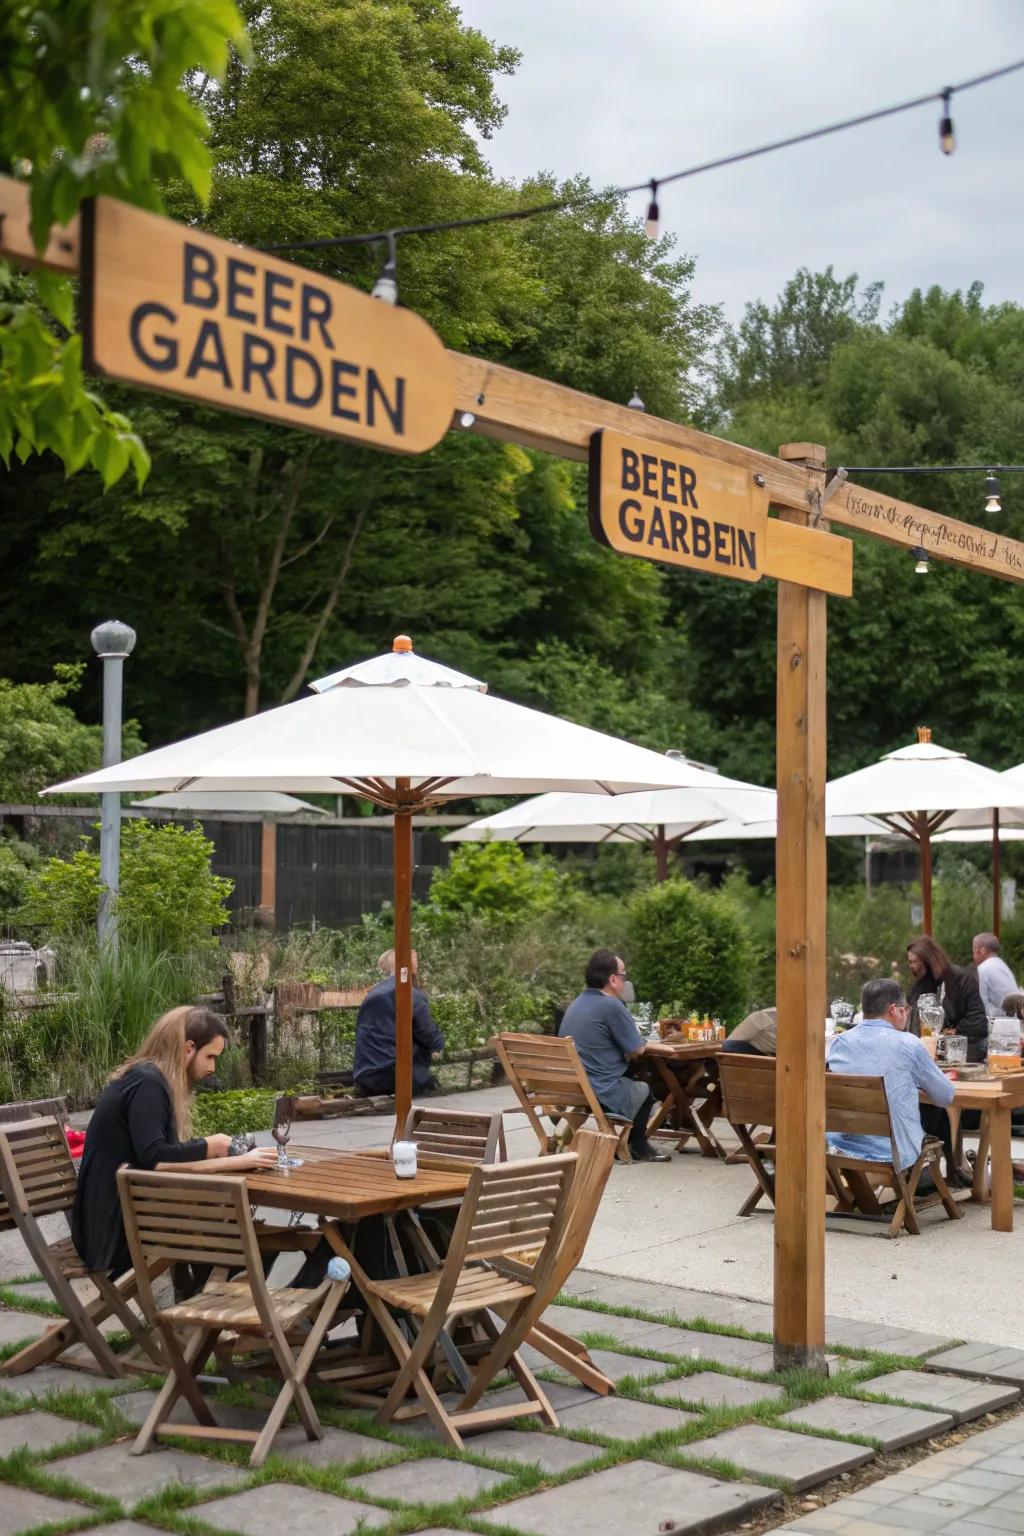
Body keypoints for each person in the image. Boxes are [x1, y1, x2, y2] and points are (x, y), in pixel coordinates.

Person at [72, 1006, 277, 1278]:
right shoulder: (148, 1083)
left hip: (121, 1218)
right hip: (112, 1234)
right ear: (188, 1048)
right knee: (243, 1240)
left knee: (232, 1231)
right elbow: (157, 1158)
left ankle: (201, 1299)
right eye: (210, 1056)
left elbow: (155, 1157)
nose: (212, 1067)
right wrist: (213, 1147)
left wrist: (215, 1151)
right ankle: (208, 1303)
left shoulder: (149, 1078)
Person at [826, 978, 954, 1181]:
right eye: (906, 1010)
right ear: (894, 1010)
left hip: (842, 1144)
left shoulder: (838, 1043)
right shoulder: (908, 1044)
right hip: (892, 1151)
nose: (906, 1014)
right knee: (937, 1112)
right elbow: (946, 1096)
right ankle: (946, 1175)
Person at [558, 949, 670, 1163]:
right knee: (645, 1087)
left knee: (633, 1074)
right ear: (613, 979)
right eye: (624, 976)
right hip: (598, 1086)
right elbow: (637, 1049)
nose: (625, 980)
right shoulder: (611, 1004)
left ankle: (627, 1140)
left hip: (572, 1083)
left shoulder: (578, 1002)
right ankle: (638, 1146)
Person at [353, 949, 443, 1097]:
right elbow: (428, 1034)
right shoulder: (409, 992)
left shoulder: (375, 992)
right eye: (416, 961)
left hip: (364, 1075)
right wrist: (439, 1047)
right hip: (394, 1074)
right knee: (437, 1096)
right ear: (411, 966)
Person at [906, 935, 988, 1063]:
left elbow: (977, 1021)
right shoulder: (920, 987)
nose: (910, 966)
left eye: (913, 962)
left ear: (926, 961)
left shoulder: (962, 980)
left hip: (963, 1056)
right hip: (929, 1056)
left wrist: (950, 1032)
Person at [972, 932, 1019, 1018]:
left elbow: (981, 1006)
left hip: (1002, 1024)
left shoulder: (983, 969)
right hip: (1016, 1020)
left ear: (982, 950)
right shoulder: (1003, 966)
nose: (973, 955)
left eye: (974, 950)